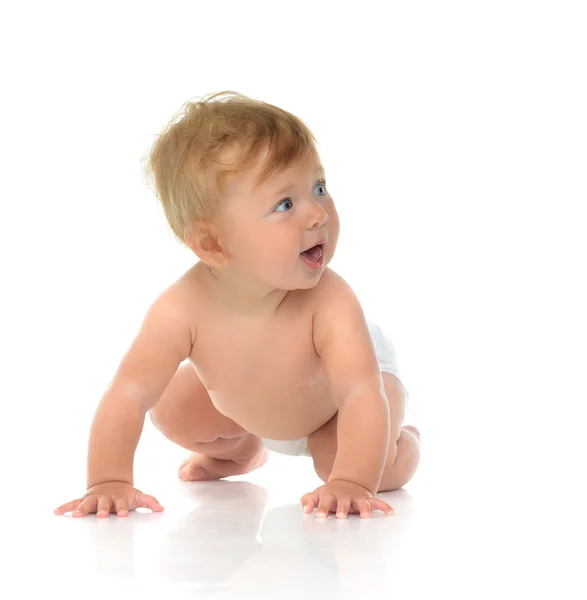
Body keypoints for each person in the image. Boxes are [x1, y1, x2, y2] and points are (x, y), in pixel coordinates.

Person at [54, 91, 421, 521]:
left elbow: (361, 391)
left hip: (346, 402)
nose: (318, 214)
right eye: (285, 204)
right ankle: (241, 452)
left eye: (319, 188)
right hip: (254, 408)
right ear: (212, 244)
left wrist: (353, 482)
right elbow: (129, 393)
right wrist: (108, 481)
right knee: (170, 404)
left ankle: (406, 445)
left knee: (342, 459)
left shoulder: (331, 302)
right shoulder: (182, 308)